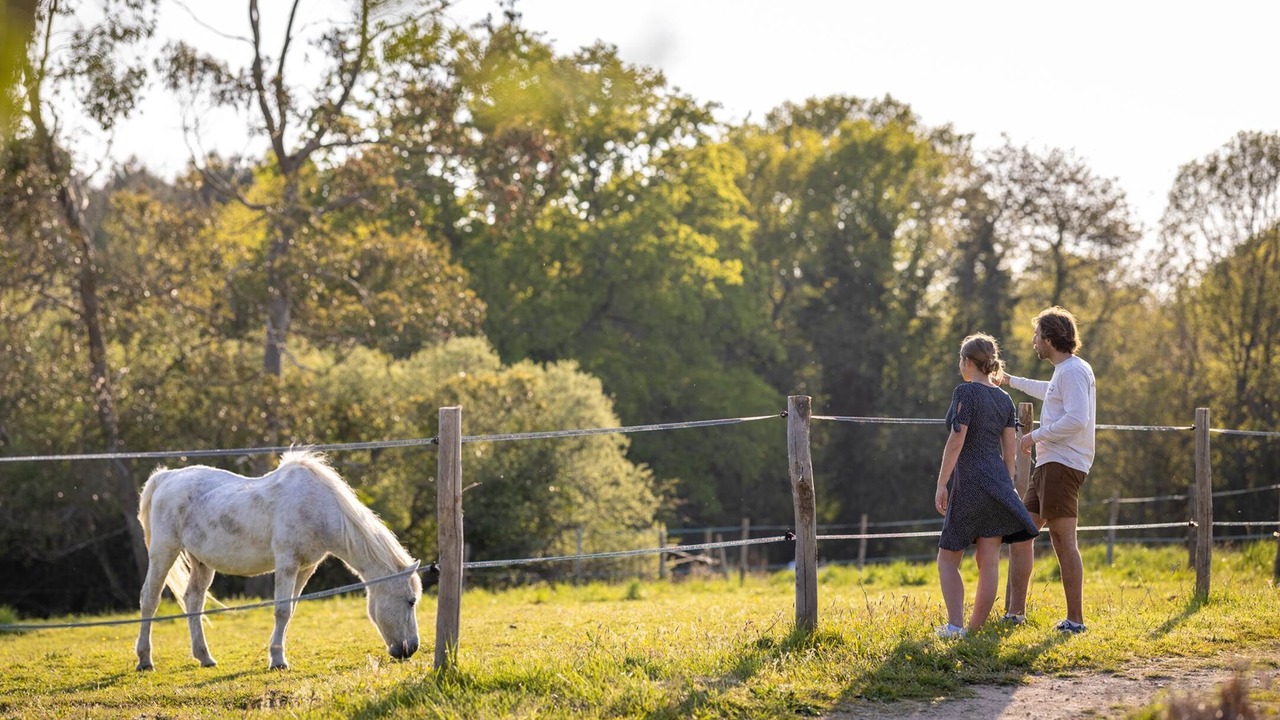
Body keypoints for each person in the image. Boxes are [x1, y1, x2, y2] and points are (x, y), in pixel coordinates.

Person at [996, 306, 1096, 634]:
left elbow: (1077, 418)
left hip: (1062, 466)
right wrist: (1010, 381)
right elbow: (1047, 392)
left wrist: (1033, 436)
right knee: (1022, 534)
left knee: (1063, 541)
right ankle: (1016, 613)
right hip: (1049, 466)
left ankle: (1076, 621)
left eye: (1037, 335)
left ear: (1050, 339)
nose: (1033, 341)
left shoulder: (1073, 372)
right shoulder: (1064, 372)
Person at [933, 333, 1039, 638]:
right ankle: (975, 631)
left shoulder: (965, 392)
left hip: (969, 482)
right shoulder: (1003, 398)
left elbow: (957, 439)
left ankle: (955, 626)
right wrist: (1005, 484)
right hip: (996, 481)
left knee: (948, 558)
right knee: (988, 561)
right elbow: (1010, 448)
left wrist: (942, 484)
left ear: (967, 362)